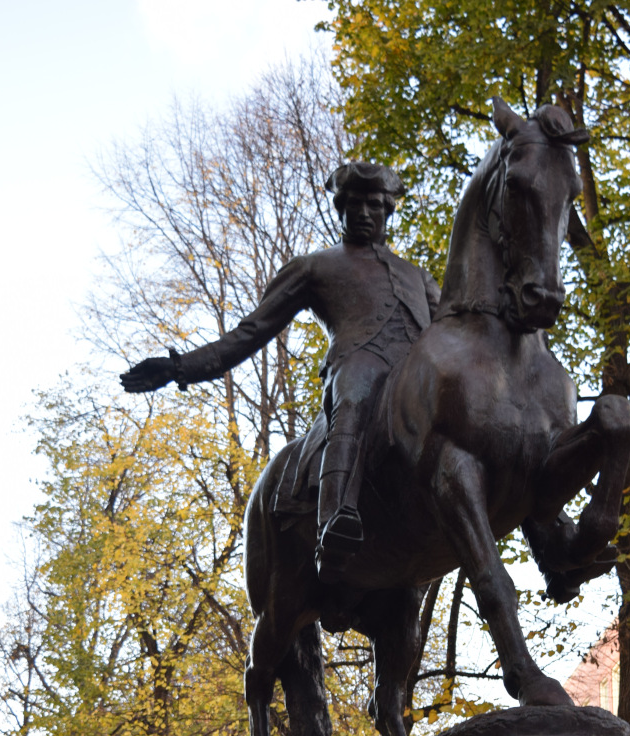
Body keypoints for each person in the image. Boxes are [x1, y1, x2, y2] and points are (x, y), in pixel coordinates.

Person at [121, 161, 440, 576]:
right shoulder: (314, 267)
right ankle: (335, 517)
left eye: (375, 205)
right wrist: (180, 367)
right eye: (354, 204)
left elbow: (453, 330)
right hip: (360, 362)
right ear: (340, 210)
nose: (364, 213)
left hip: (419, 375)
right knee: (355, 391)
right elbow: (250, 331)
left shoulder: (418, 276)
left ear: (387, 211)